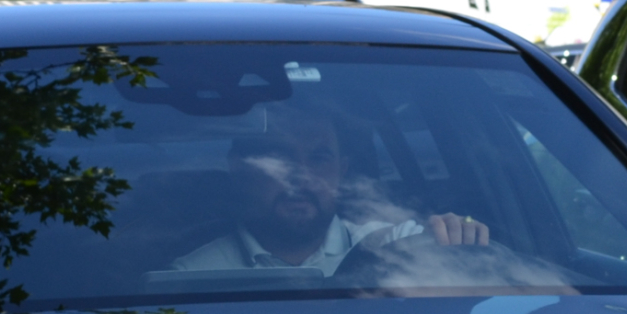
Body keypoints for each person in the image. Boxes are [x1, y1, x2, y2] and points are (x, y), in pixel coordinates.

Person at [168, 103, 490, 275]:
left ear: (342, 171)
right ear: (239, 166)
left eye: (319, 158)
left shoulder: (393, 243)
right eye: (280, 157)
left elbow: (443, 247)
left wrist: (456, 232)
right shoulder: (191, 275)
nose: (301, 176)